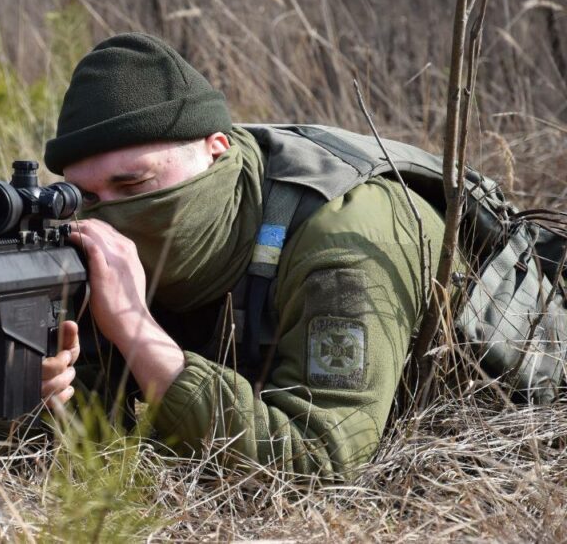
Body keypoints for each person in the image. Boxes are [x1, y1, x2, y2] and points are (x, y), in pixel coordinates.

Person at [38, 32, 447, 477]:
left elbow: (320, 463)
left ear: (216, 148)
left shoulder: (345, 237)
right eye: (86, 198)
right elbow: (97, 456)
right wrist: (45, 399)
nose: (115, 213)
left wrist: (136, 328)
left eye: (134, 184)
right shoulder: (103, 246)